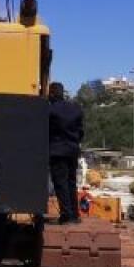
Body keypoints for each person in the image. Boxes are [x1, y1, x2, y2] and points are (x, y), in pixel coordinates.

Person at [46, 81, 84, 224]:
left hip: (57, 151)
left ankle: (66, 215)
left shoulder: (50, 110)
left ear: (52, 93)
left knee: (60, 183)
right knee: (71, 182)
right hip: (73, 151)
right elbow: (81, 132)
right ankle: (75, 215)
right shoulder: (76, 108)